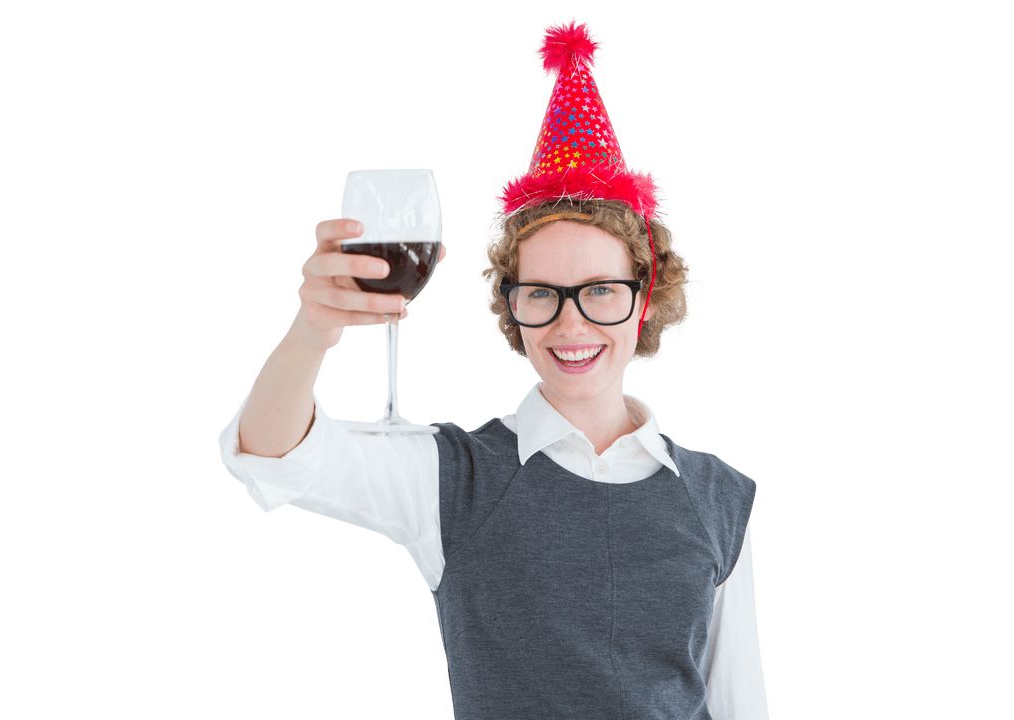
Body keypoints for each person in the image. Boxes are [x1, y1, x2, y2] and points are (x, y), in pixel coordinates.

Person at [219, 18, 767, 720]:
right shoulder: (456, 480)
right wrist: (314, 330)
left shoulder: (720, 497)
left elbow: (739, 707)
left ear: (646, 296)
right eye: (542, 294)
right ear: (514, 306)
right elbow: (272, 455)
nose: (572, 324)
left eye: (601, 290)